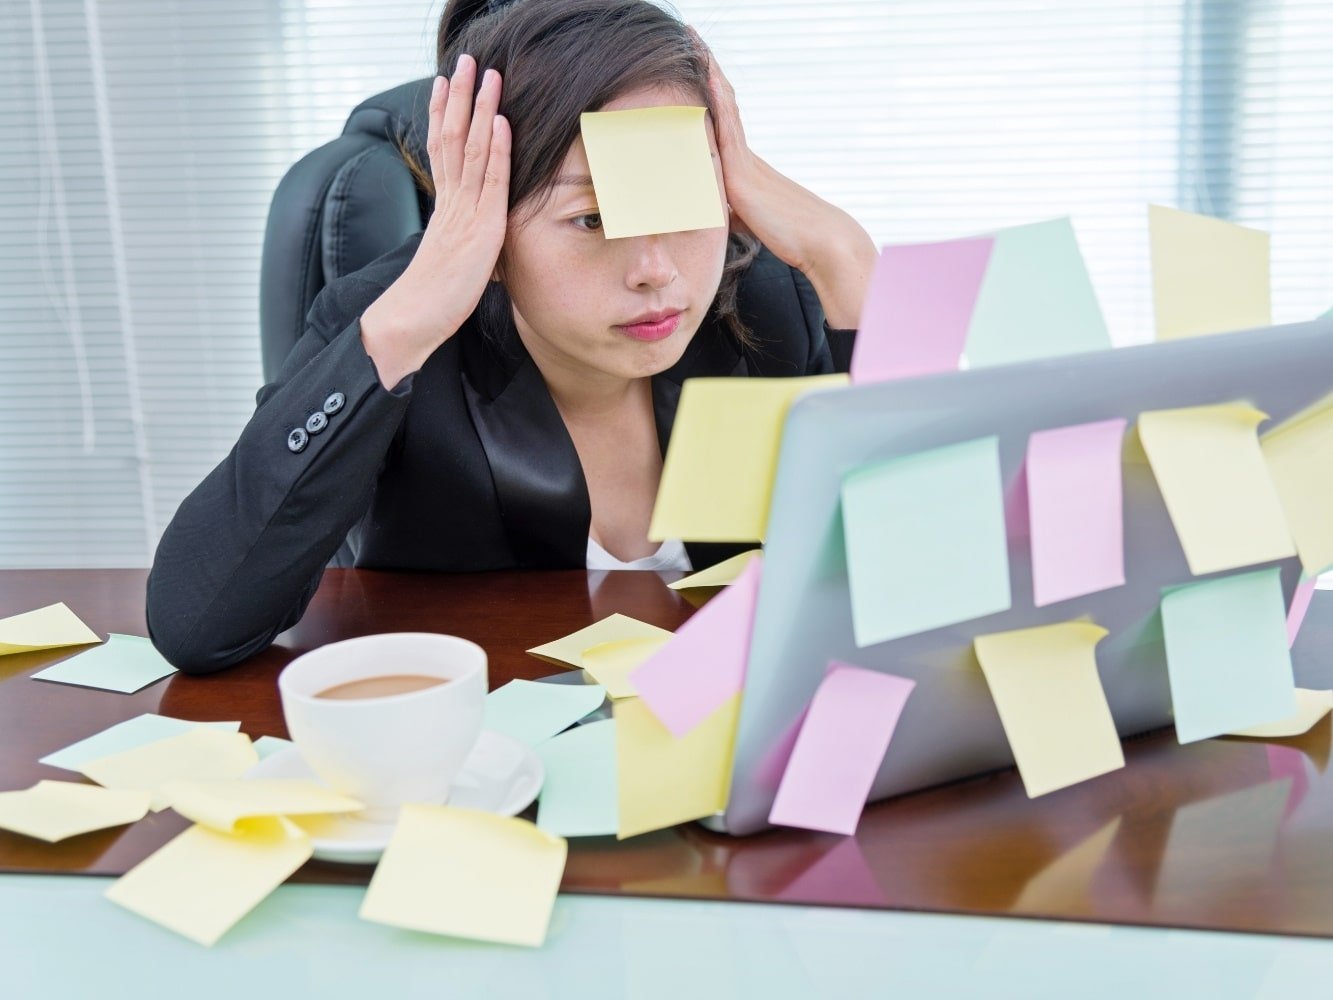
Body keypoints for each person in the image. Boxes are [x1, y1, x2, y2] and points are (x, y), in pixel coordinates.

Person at [146, 0, 877, 674]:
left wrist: (849, 267)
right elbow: (196, 624)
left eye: (684, 198)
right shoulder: (394, 320)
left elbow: (917, 570)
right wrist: (405, 326)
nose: (657, 272)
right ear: (489, 222)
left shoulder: (762, 295)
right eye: (591, 219)